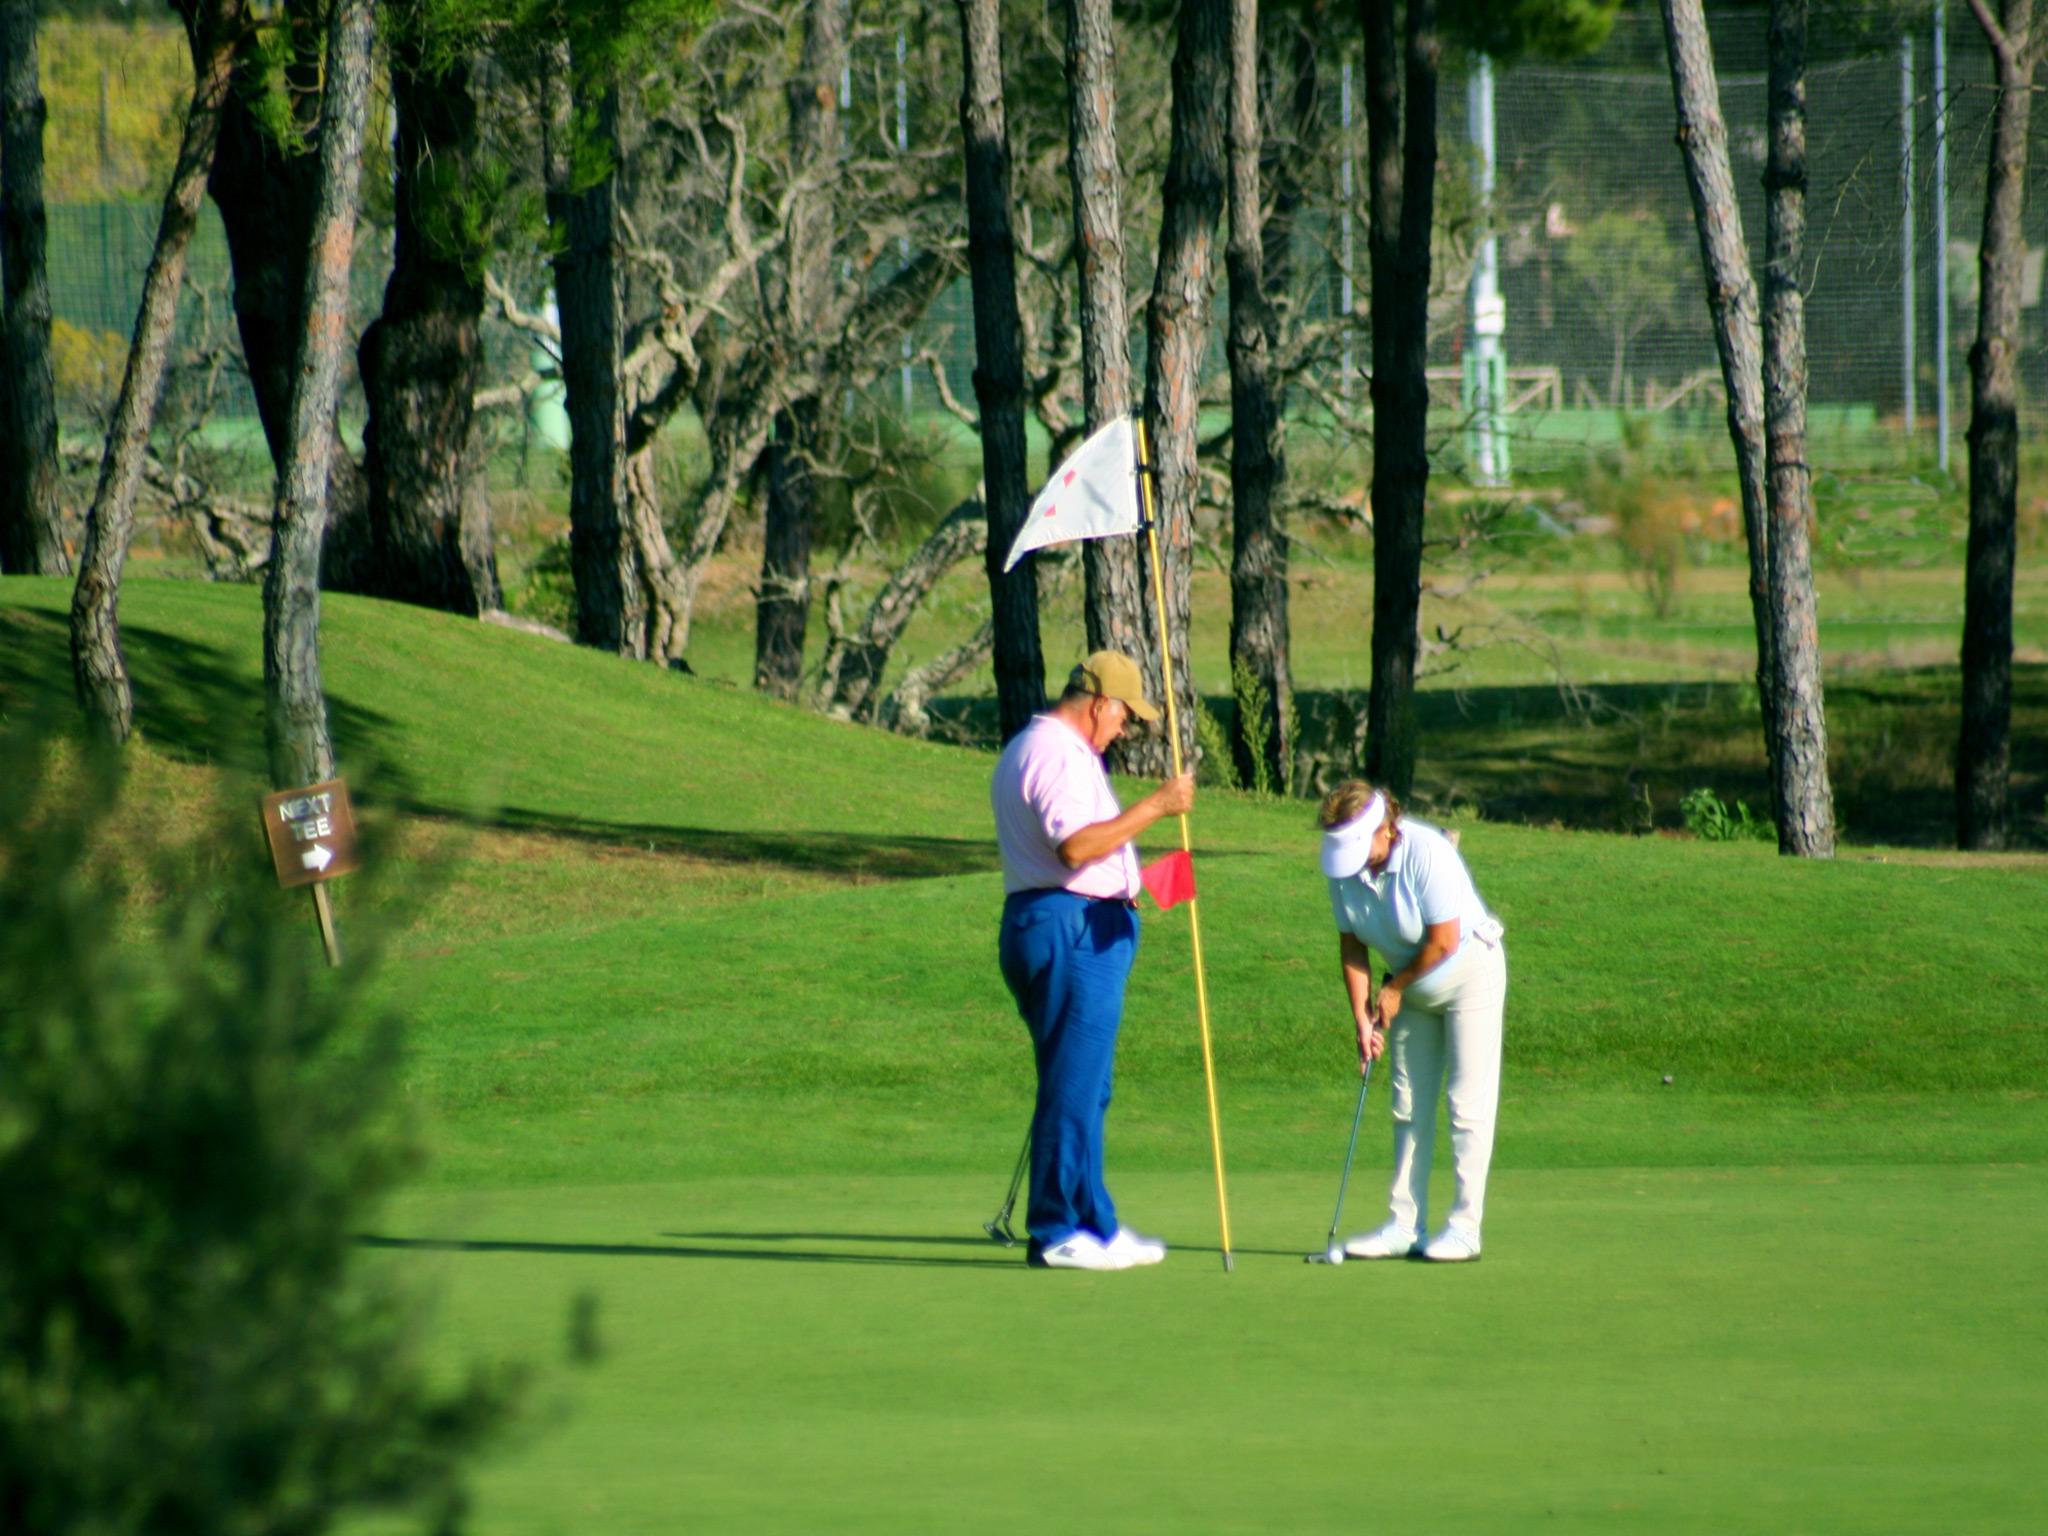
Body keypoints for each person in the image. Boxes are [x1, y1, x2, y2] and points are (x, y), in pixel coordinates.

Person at [992, 651, 1195, 1270]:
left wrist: (1152, 876)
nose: (1126, 728)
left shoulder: (1055, 750)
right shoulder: (1055, 752)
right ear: (1099, 702)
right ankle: (1055, 1231)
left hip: (1073, 924)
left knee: (1088, 1086)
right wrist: (1157, 807)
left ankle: (1092, 1222)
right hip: (1069, 928)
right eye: (1125, 715)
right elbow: (1077, 846)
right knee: (1073, 1086)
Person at [1317, 779, 1507, 1262]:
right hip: (1409, 989)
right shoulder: (1345, 871)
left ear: (1386, 828)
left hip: (1470, 973)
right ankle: (1404, 1225)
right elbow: (1352, 942)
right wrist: (1362, 1016)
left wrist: (1394, 988)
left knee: (1466, 1104)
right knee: (1407, 1103)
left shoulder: (1427, 852)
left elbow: (1444, 940)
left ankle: (1465, 1229)